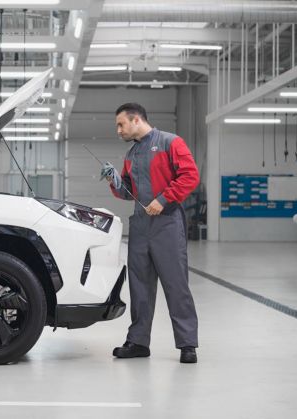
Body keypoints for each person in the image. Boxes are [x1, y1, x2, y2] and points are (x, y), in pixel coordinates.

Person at [102, 103, 200, 364]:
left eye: (121, 124)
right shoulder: (131, 155)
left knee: (176, 284)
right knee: (140, 287)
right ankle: (138, 341)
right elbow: (127, 192)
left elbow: (190, 176)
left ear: (136, 120)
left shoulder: (171, 143)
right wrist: (114, 180)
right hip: (140, 227)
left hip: (167, 224)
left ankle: (187, 343)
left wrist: (165, 198)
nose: (119, 130)